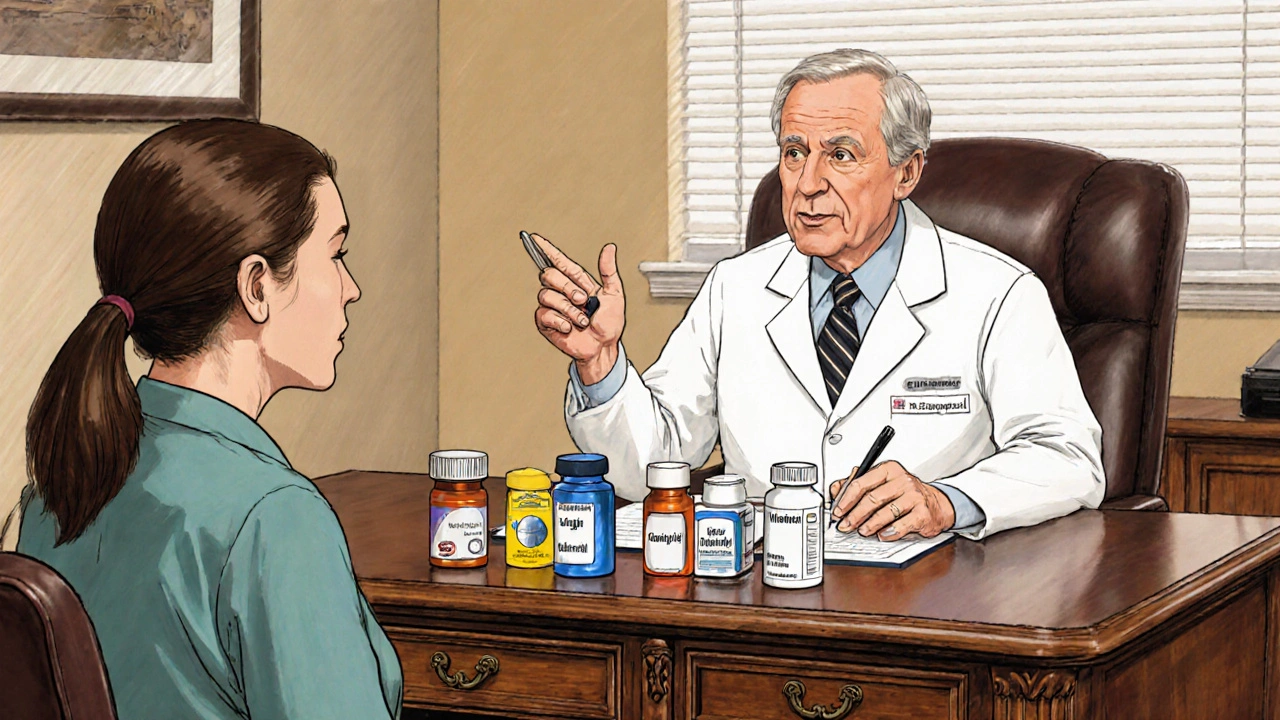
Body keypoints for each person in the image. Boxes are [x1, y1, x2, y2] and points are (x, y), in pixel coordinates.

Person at [531, 49, 1104, 541]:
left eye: (841, 154)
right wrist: (600, 364)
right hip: (760, 593)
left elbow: (1069, 460)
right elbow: (648, 468)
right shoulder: (736, 290)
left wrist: (944, 501)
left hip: (933, 598)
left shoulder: (998, 293)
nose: (807, 185)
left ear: (906, 174)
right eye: (794, 152)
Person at [16, 120, 402, 719]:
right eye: (336, 255)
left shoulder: (51, 495)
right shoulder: (275, 518)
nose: (351, 288)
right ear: (256, 287)